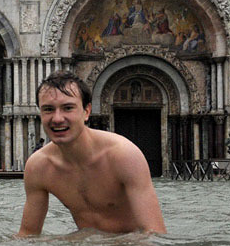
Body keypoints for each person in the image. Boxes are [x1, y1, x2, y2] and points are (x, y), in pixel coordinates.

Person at [18, 71, 165, 236]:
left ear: (86, 112)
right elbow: (27, 236)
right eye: (48, 109)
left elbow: (154, 235)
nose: (57, 118)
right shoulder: (39, 167)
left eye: (68, 108)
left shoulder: (124, 155)